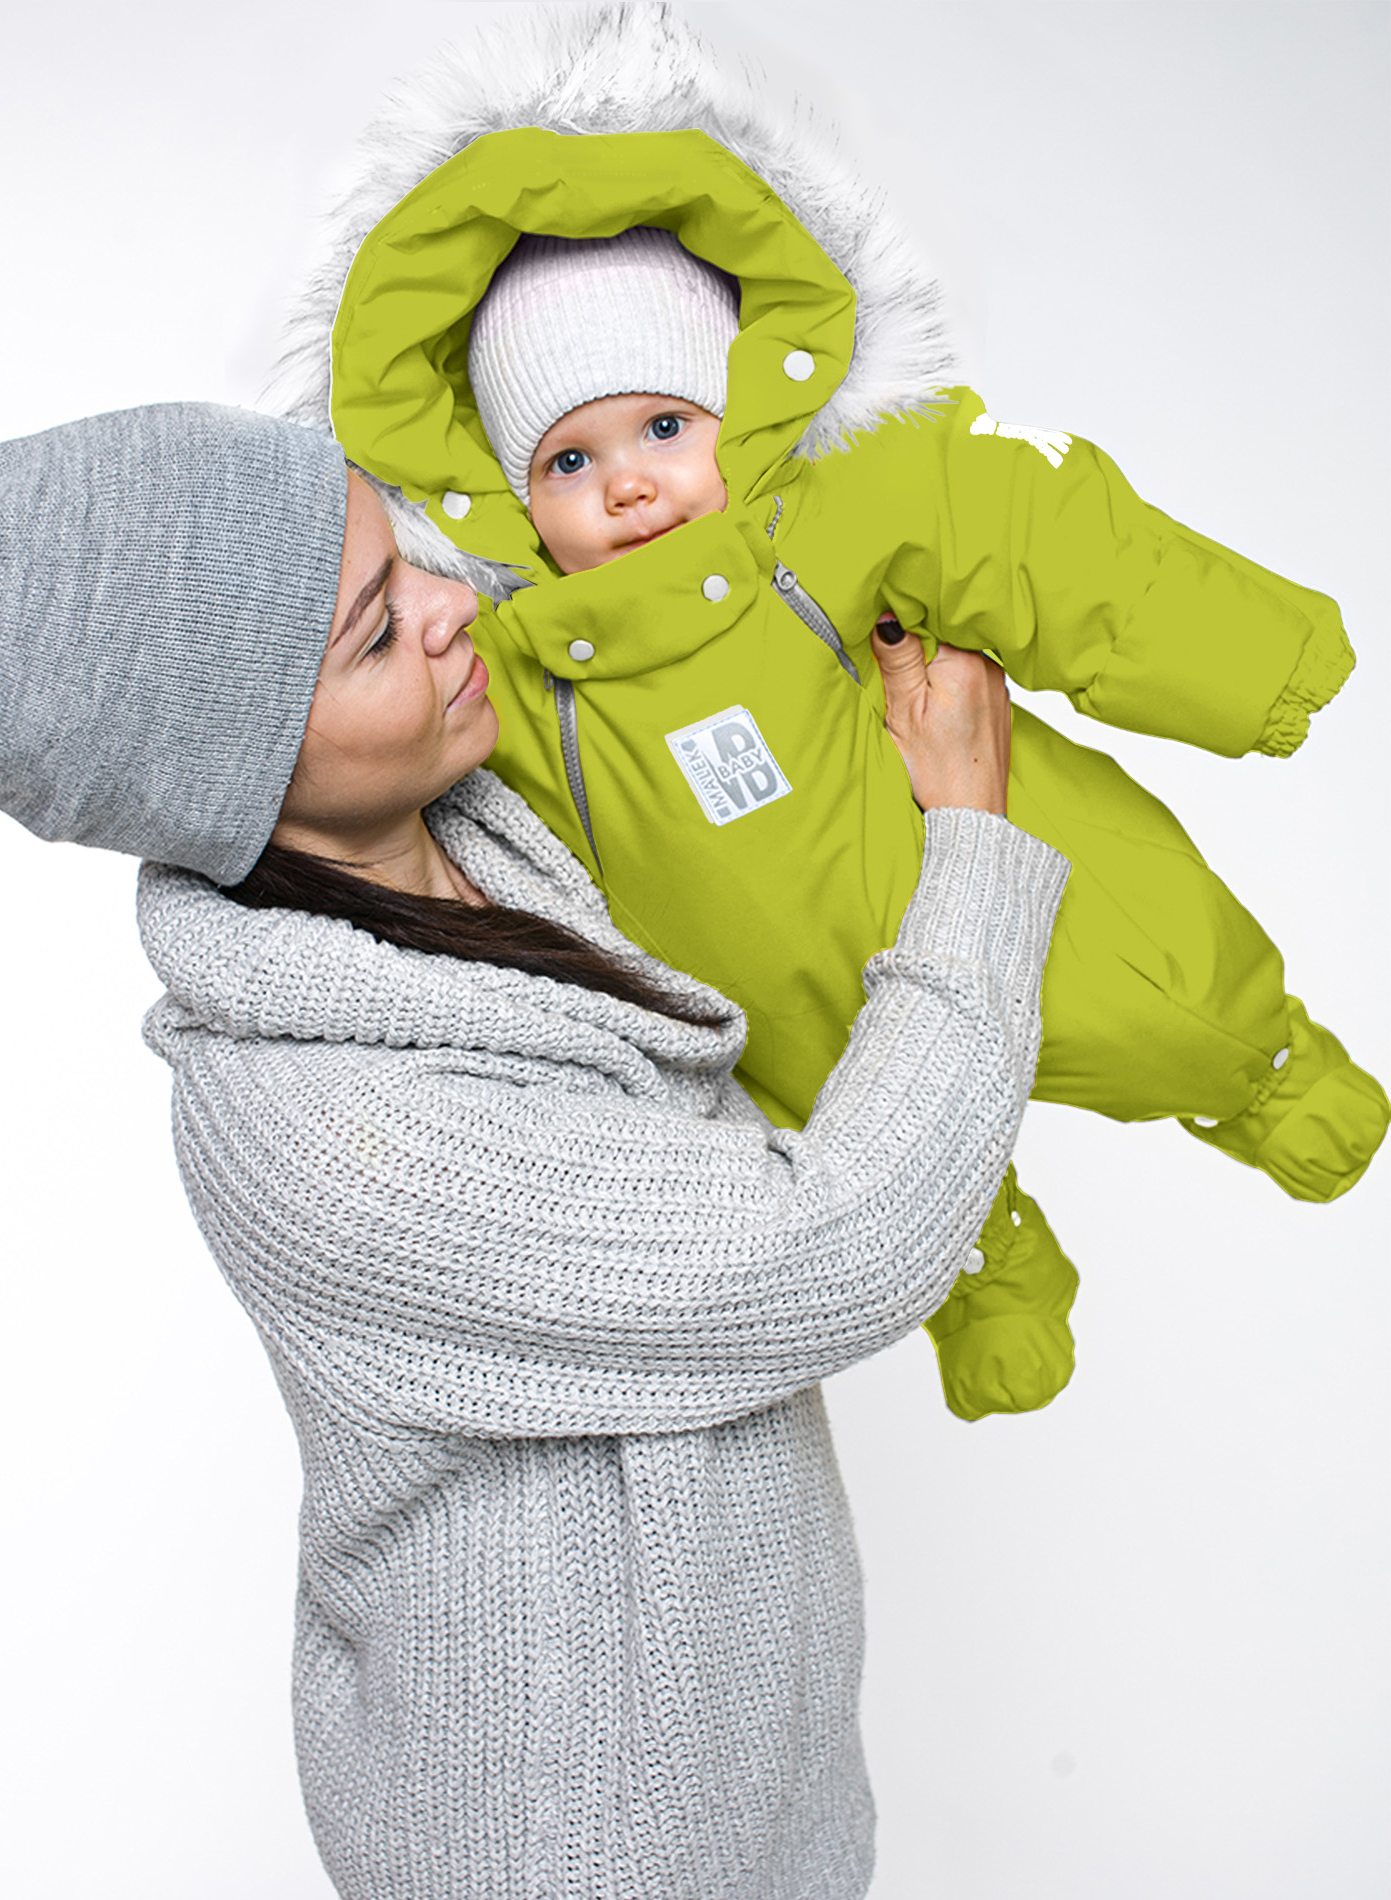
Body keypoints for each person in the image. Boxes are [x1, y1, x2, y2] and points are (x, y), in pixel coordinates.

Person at [0, 399, 1067, 1900]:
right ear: (239, 775)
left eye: (409, 554)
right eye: (379, 631)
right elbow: (838, 1243)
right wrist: (973, 842)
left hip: (728, 1821)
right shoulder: (338, 1134)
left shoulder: (465, 839)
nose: (455, 605)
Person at [283, 1, 1388, 1425]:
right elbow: (422, 798)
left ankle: (1265, 1069)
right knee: (853, 1142)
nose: (629, 483)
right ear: (504, 496)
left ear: (734, 417)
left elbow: (1022, 530)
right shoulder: (507, 662)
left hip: (964, 852)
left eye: (664, 427)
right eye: (570, 459)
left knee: (1152, 990)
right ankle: (982, 1268)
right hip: (786, 1006)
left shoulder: (824, 519)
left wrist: (1246, 657)